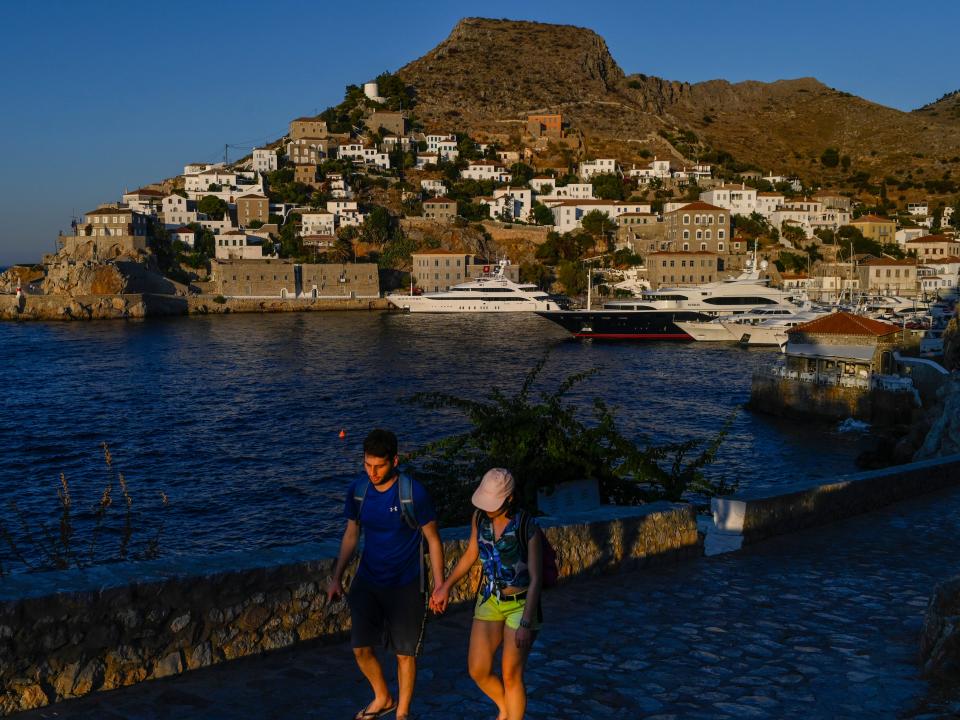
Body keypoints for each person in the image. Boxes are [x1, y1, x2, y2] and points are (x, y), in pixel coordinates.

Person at [326, 429, 445, 720]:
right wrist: (336, 576)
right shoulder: (358, 491)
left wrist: (441, 585)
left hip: (406, 583)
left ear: (395, 460)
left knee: (405, 654)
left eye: (378, 466)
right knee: (360, 648)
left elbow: (433, 539)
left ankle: (402, 713)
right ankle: (383, 696)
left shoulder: (413, 493)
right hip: (368, 580)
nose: (373, 472)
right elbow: (351, 535)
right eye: (367, 465)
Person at [430, 468, 542, 720]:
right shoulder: (479, 518)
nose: (488, 507)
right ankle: (506, 708)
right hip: (489, 599)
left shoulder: (526, 525)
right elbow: (472, 553)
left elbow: (536, 579)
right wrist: (445, 586)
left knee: (511, 673)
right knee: (477, 669)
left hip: (520, 604)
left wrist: (526, 622)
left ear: (510, 498)